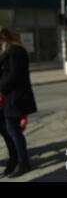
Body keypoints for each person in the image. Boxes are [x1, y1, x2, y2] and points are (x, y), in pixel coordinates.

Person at [0, 27, 37, 177]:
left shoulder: (16, 51)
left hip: (16, 97)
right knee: (11, 130)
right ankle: (18, 160)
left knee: (13, 131)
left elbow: (15, 74)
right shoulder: (9, 52)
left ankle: (23, 162)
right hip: (11, 97)